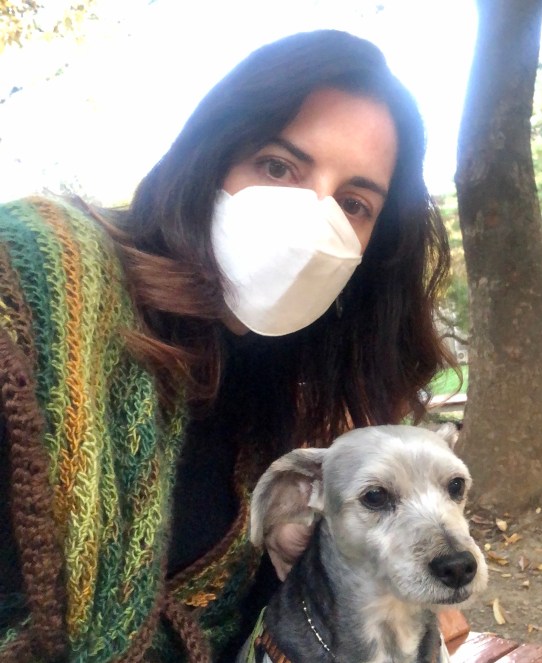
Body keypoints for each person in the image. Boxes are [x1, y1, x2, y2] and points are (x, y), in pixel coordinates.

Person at [0, 29, 455, 662]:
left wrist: (293, 558)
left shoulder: (275, 394)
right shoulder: (37, 283)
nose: (313, 220)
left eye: (353, 203)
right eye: (278, 167)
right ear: (212, 158)